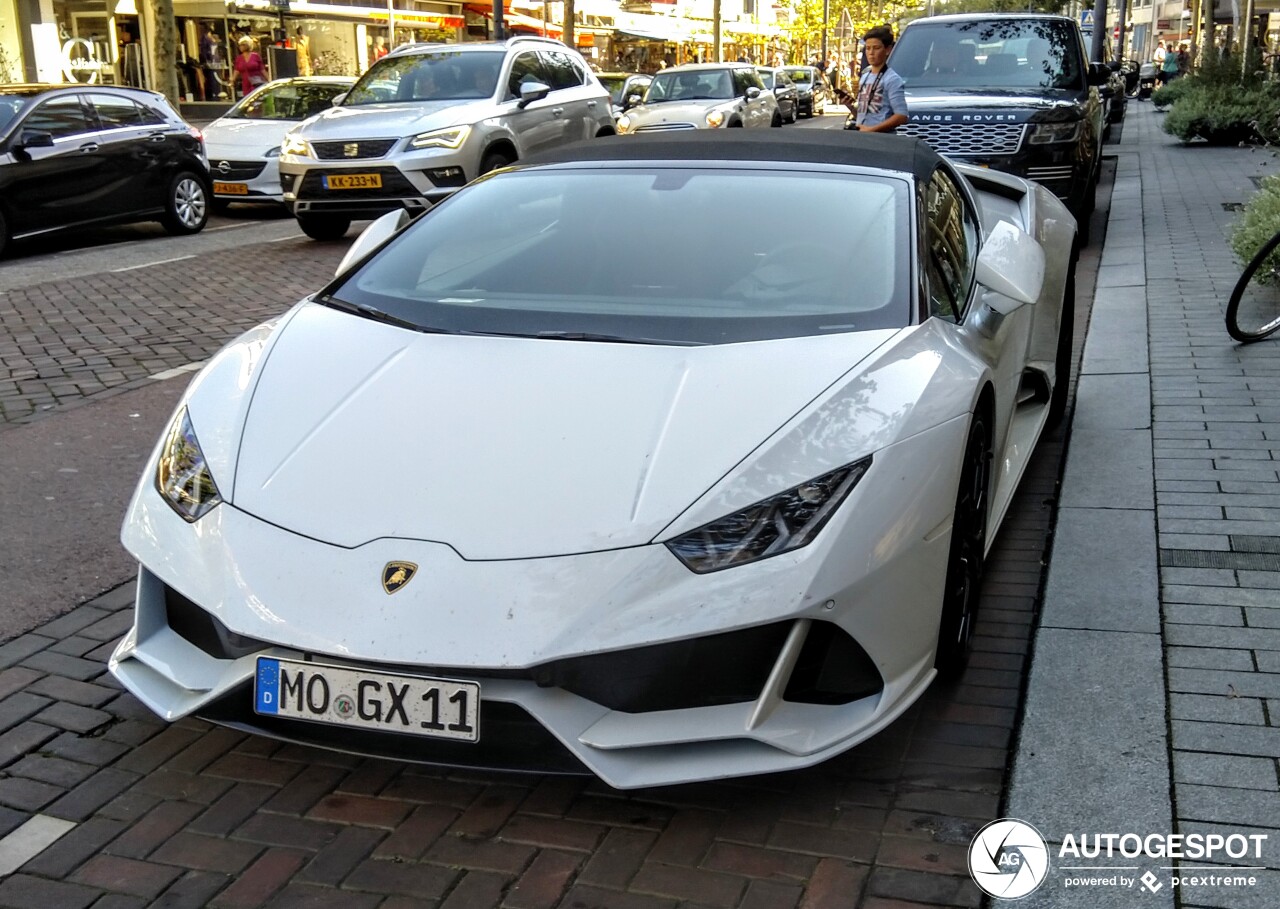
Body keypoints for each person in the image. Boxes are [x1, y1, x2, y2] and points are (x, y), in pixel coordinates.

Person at [851, 25, 908, 133]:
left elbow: (902, 116)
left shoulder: (892, 79)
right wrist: (849, 105)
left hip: (882, 140)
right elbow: (865, 113)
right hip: (863, 137)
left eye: (876, 48)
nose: (871, 53)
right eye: (868, 48)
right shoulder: (864, 76)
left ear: (888, 50)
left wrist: (872, 130)